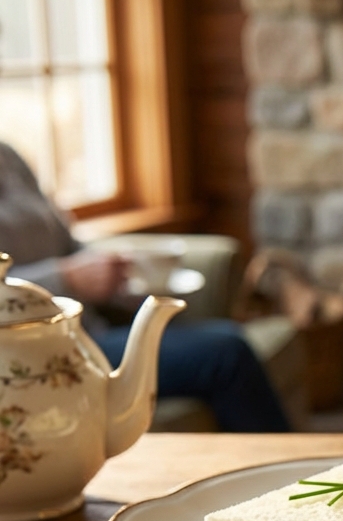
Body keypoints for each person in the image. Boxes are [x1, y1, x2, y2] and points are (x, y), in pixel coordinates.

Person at [0, 142, 290, 432]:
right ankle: (290, 471)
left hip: (91, 328)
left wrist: (111, 275)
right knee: (228, 354)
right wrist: (65, 279)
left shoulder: (8, 156)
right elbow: (61, 272)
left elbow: (69, 245)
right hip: (49, 351)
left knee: (226, 337)